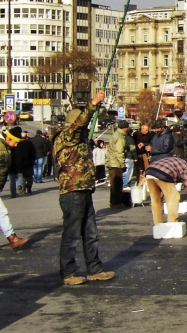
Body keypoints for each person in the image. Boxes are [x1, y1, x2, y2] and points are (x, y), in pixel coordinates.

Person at [51, 90, 114, 286]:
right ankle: (68, 272)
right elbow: (79, 126)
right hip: (72, 191)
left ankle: (94, 269)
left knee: (91, 233)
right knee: (71, 234)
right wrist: (93, 104)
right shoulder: (66, 136)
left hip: (84, 189)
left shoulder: (79, 139)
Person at [145, 155, 187, 225]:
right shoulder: (186, 168)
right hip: (163, 174)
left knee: (155, 200)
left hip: (149, 172)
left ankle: (157, 224)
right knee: (174, 197)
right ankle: (172, 223)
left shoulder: (177, 160)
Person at [106, 121, 133, 208]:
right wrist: (122, 164)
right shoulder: (120, 138)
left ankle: (113, 201)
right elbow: (119, 152)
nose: (128, 129)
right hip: (116, 163)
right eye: (127, 127)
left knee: (113, 183)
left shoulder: (116, 134)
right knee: (117, 184)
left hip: (111, 162)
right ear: (125, 128)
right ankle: (116, 203)